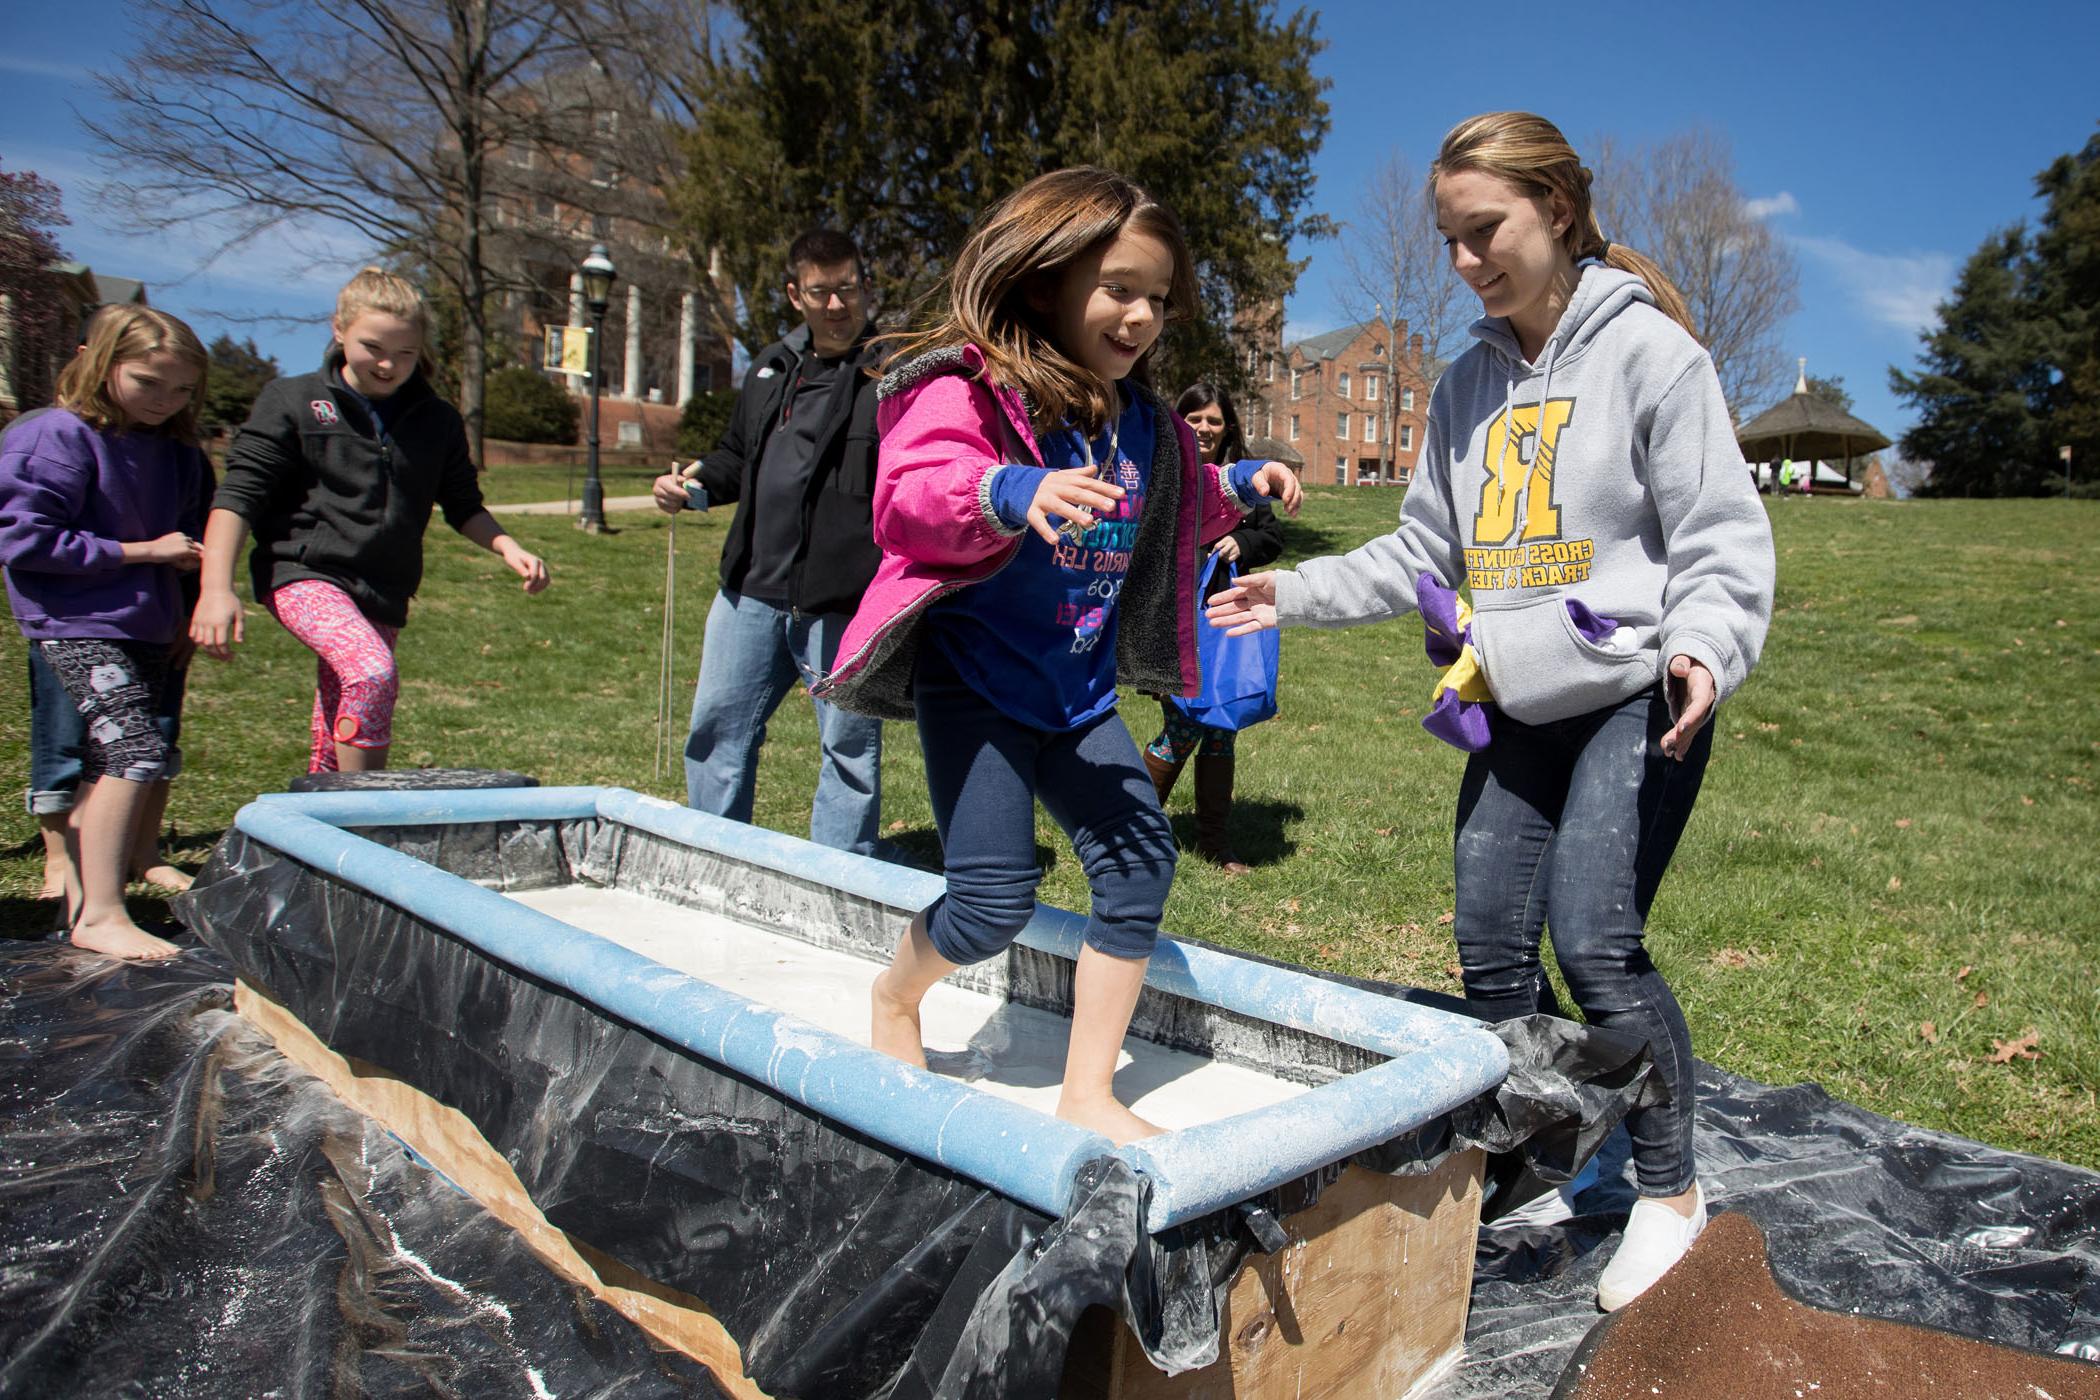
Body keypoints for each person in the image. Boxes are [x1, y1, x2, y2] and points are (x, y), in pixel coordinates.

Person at [1208, 112, 1774, 1308]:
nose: (1467, 260)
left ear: (1558, 211)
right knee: (1489, 936)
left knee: (1595, 938)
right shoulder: (1465, 385)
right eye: (1451, 239)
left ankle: (1672, 1191)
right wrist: (1291, 588)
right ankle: (1553, 1142)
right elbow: (1423, 552)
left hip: (1636, 693)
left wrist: (1706, 650)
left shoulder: (1656, 357)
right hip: (1517, 698)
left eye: (1487, 231)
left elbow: (1721, 537)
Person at [816, 168, 1302, 1145]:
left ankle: (1088, 1091)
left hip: (1076, 696)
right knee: (993, 904)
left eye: (1158, 298)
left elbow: (1180, 503)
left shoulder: (1147, 427)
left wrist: (1244, 480)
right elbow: (913, 490)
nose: (1141, 316)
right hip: (980, 686)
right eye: (1119, 287)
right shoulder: (967, 390)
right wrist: (1006, 488)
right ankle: (896, 995)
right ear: (1044, 280)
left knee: (1139, 861)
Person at [190, 268, 549, 772]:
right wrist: (215, 588)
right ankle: (366, 816)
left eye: (406, 353)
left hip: (384, 585)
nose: (389, 365)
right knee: (371, 672)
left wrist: (508, 547)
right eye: (373, 347)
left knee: (345, 706)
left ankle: (319, 821)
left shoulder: (436, 420)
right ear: (339, 329)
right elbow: (239, 495)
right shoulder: (292, 401)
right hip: (304, 573)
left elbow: (463, 503)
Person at [650, 229, 886, 854]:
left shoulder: (893, 374)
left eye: (847, 289)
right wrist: (692, 486)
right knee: (716, 731)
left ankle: (841, 885)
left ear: (866, 285)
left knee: (848, 753)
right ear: (794, 294)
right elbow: (734, 457)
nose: (836, 306)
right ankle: (714, 860)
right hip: (750, 591)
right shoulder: (769, 366)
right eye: (819, 292)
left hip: (844, 601)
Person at [0, 306, 213, 959]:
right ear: (101, 363)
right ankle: (101, 914)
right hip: (76, 623)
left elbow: (198, 537)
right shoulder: (53, 438)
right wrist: (142, 552)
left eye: (180, 389)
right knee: (134, 754)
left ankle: (85, 907)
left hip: (147, 626)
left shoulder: (179, 455)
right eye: (148, 382)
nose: (164, 401)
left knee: (106, 762)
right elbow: (25, 540)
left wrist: (184, 610)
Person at [1141, 382, 1284, 874]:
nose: (1204, 428)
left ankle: (1213, 843)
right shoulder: (1167, 472)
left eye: (1214, 421)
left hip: (1228, 623)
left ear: (1228, 429)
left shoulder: (1250, 482)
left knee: (1222, 729)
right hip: (1177, 620)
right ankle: (1130, 835)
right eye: (1195, 418)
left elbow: (1270, 536)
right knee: (1182, 726)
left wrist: (1241, 541)